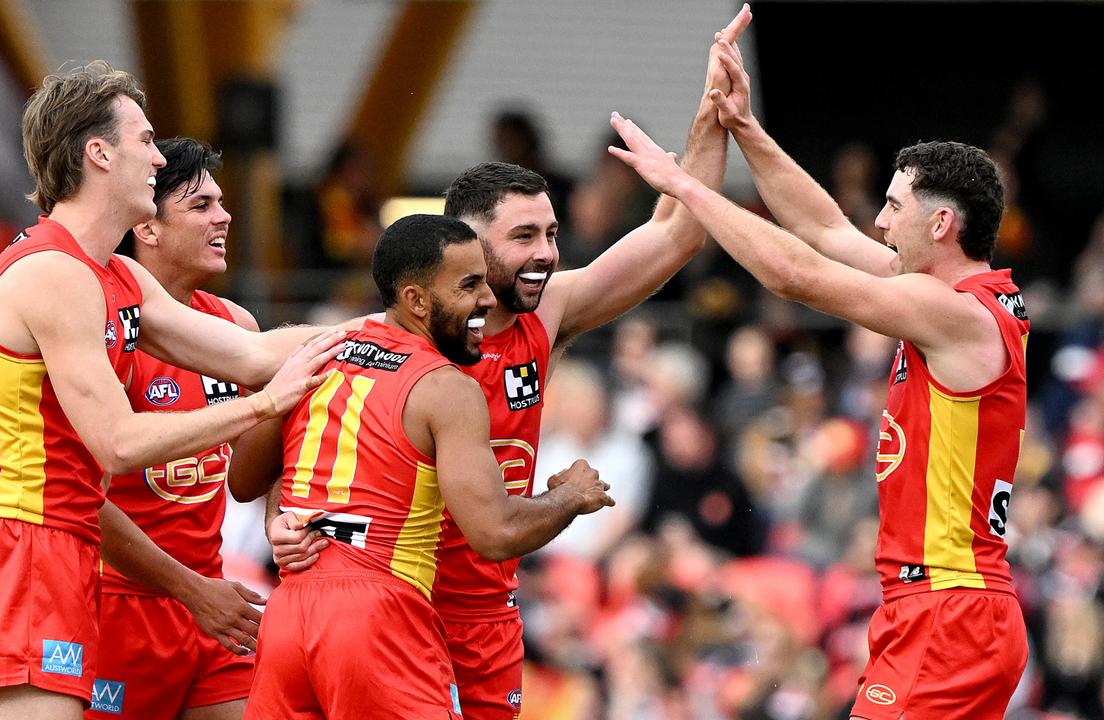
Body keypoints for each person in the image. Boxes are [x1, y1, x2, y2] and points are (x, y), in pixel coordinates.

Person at [268, 9, 757, 718]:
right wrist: (281, 518)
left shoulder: (548, 314)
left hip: (486, 615)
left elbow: (678, 232)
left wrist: (714, 113)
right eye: (524, 235)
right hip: (392, 606)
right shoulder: (389, 333)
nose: (547, 254)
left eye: (553, 234)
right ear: (466, 243)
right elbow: (284, 423)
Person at [606, 27, 1029, 718]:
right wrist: (743, 126)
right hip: (953, 605)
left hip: (947, 609)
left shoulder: (947, 309)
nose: (882, 223)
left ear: (943, 223)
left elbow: (795, 274)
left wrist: (683, 184)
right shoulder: (953, 298)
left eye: (895, 207)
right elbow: (824, 231)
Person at [0, 61, 343, 720]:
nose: (160, 157)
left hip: (69, 551)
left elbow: (250, 353)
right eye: (146, 140)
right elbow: (119, 443)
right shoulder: (54, 272)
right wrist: (265, 404)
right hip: (26, 546)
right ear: (99, 153)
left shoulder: (114, 277)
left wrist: (401, 324)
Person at [247, 214, 614, 720]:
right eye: (468, 285)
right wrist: (571, 496)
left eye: (485, 279)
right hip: (378, 617)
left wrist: (280, 516)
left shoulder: (319, 355)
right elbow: (494, 533)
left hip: (289, 612)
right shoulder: (446, 387)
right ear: (417, 300)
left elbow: (243, 479)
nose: (488, 298)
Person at [84, 138, 285, 720]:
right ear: (147, 227)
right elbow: (82, 499)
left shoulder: (235, 325)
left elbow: (258, 464)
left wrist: (280, 517)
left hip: (213, 599)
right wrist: (191, 591)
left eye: (221, 203)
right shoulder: (102, 329)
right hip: (121, 604)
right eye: (200, 206)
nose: (224, 216)